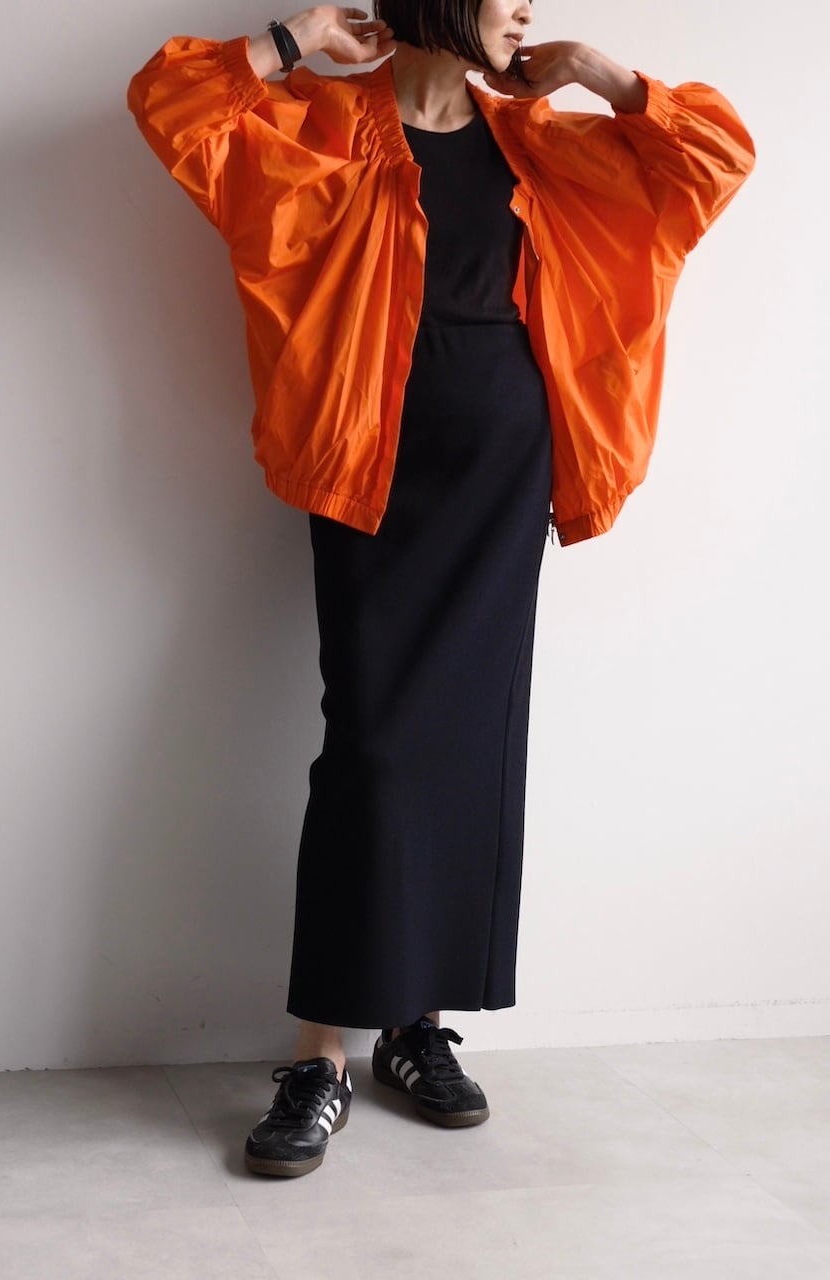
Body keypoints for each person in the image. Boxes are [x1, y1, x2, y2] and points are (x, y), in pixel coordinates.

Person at [127, 2, 754, 1178]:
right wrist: (294, 38)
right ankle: (319, 1055)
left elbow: (714, 157)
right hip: (370, 469)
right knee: (368, 743)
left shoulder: (539, 139)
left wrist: (601, 72)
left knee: (469, 739)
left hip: (504, 472)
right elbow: (173, 106)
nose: (525, 9)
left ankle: (414, 1026)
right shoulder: (324, 126)